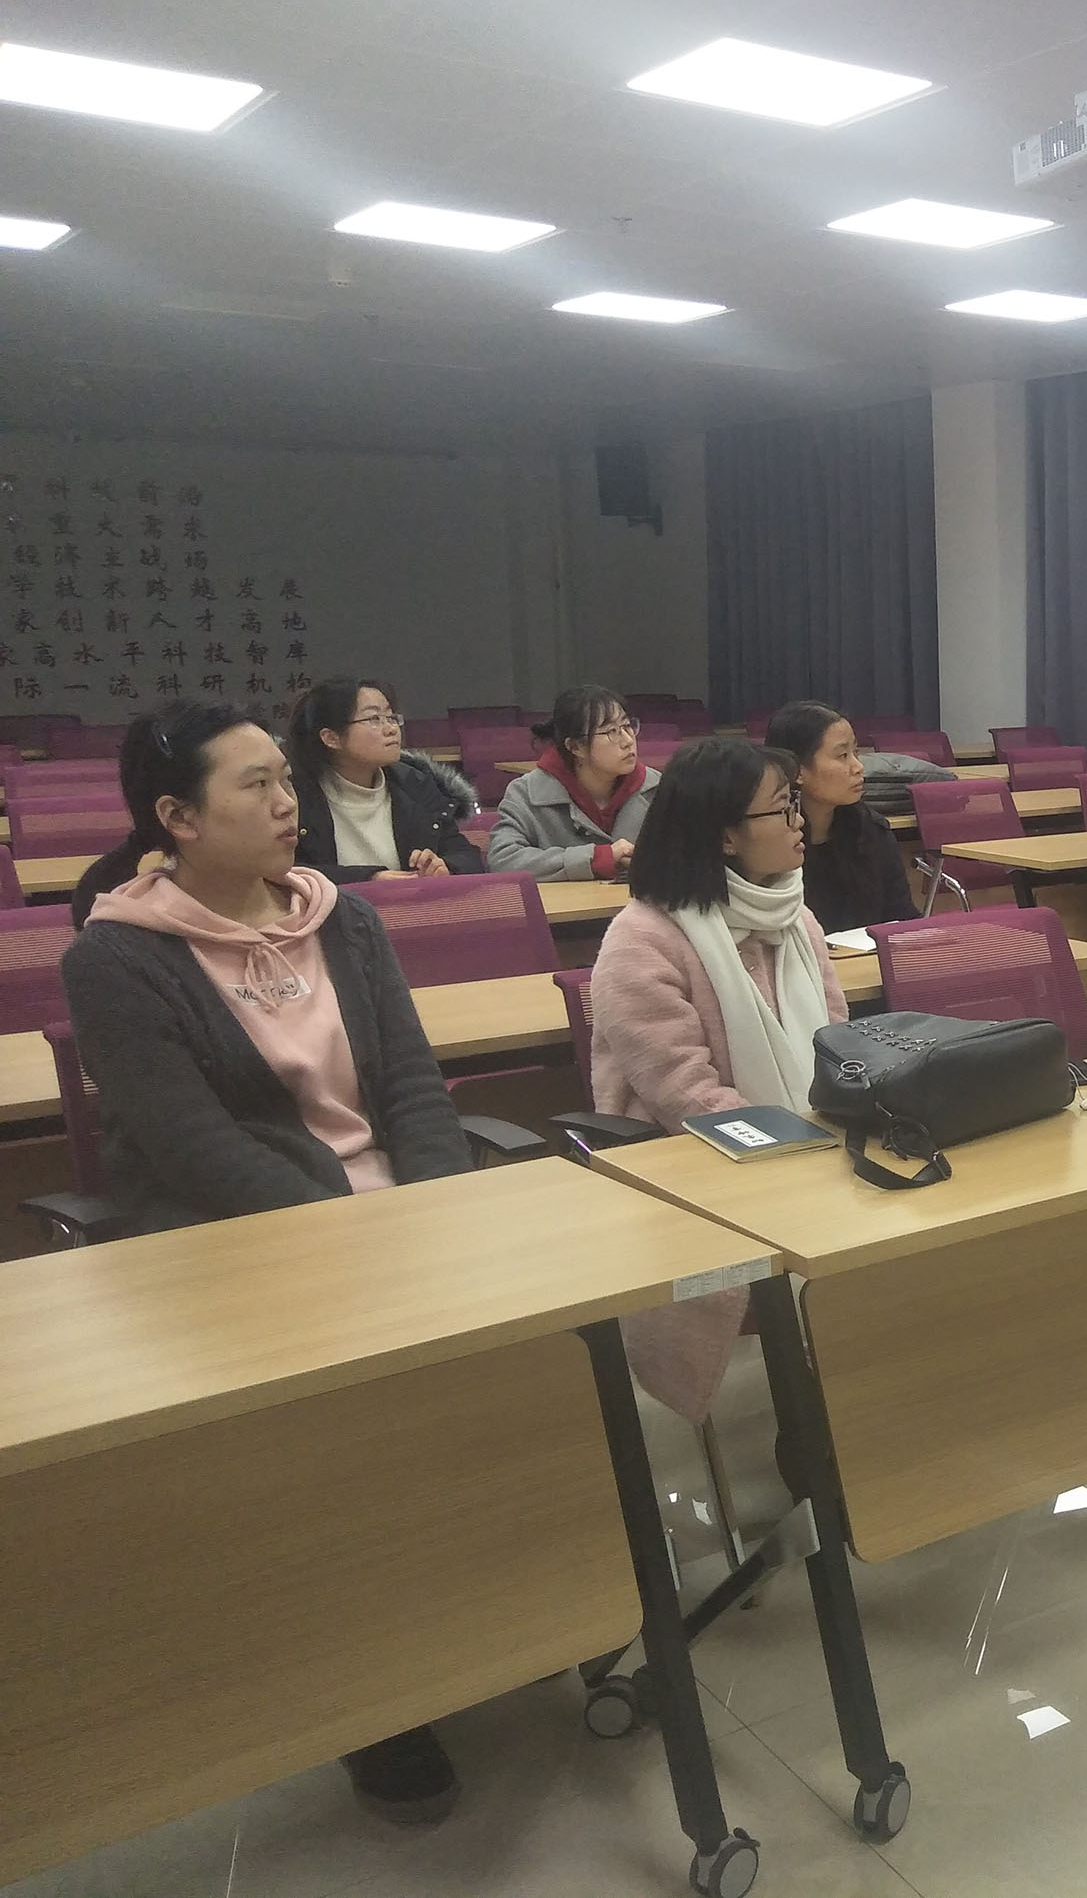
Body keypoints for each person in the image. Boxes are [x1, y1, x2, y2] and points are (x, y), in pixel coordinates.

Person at [61, 702, 476, 1828]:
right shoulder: (116, 955)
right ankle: (376, 1693)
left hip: (392, 1228)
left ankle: (508, 1607)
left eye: (287, 779)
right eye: (255, 785)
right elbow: (192, 1148)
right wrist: (354, 1247)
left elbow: (412, 1087)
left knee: (525, 1379)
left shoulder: (346, 921)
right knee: (349, 1452)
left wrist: (444, 1219)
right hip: (242, 1243)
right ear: (178, 816)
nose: (288, 801)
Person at [588, 737, 850, 1422]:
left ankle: (869, 1411)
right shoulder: (642, 939)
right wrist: (808, 1158)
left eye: (795, 803)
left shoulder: (795, 919)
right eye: (781, 808)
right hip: (695, 1176)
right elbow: (689, 1098)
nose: (799, 821)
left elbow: (838, 1047)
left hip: (806, 1150)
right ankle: (815, 1444)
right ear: (726, 835)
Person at [285, 676, 485, 883]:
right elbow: (284, 871)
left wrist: (445, 866)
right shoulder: (294, 796)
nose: (392, 729)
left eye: (391, 717)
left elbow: (466, 856)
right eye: (374, 719)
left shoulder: (416, 785)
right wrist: (369, 879)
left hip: (414, 901)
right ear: (331, 738)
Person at [762, 701, 918, 935]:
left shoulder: (871, 829)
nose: (858, 767)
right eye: (842, 755)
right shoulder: (769, 841)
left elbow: (902, 917)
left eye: (856, 753)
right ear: (797, 770)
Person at [488, 685, 657, 880]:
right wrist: (595, 859)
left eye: (627, 726)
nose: (628, 741)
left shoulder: (658, 788)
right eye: (612, 731)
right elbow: (503, 860)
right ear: (576, 747)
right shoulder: (526, 793)